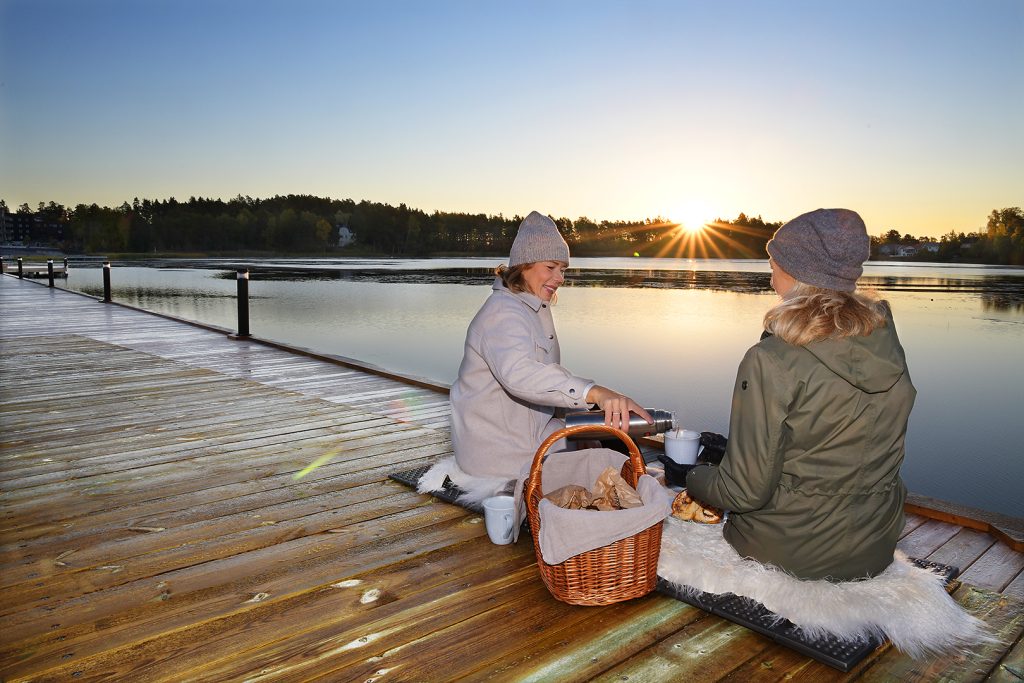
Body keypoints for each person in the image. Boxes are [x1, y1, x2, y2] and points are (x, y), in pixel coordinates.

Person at [685, 208, 916, 581]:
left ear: (795, 272)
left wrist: (692, 474)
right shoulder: (886, 346)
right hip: (875, 547)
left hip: (786, 552)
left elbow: (743, 493)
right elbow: (826, 443)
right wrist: (731, 452)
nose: (771, 279)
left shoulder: (771, 359)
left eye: (773, 265)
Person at [449, 210, 651, 484]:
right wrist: (594, 392)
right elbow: (521, 374)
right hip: (498, 454)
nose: (560, 278)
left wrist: (584, 417)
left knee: (612, 440)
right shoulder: (502, 313)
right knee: (613, 467)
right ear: (525, 264)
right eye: (551, 267)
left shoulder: (532, 307)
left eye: (563, 269)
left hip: (530, 433)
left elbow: (544, 381)